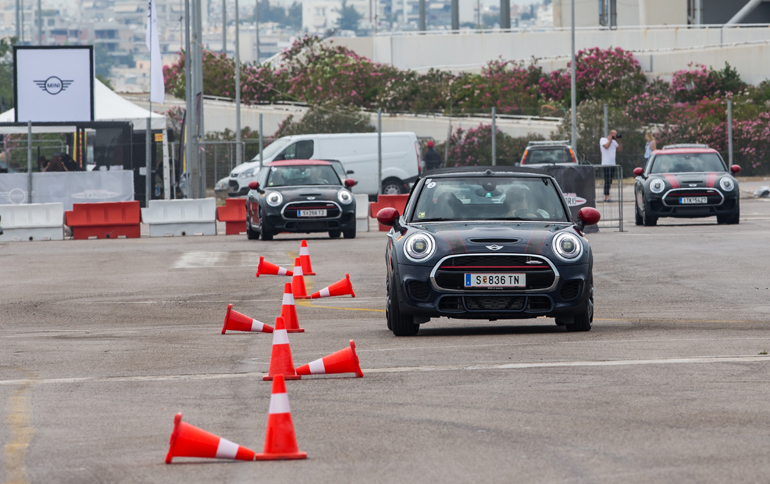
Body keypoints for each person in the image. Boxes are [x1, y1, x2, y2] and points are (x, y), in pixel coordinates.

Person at [599, 130, 622, 203]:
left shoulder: (614, 142)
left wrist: (619, 141)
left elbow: (619, 149)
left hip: (613, 164)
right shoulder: (603, 140)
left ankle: (607, 195)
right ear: (611, 134)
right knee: (607, 180)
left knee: (610, 180)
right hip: (606, 164)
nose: (615, 136)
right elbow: (606, 146)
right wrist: (610, 139)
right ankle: (606, 196)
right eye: (614, 134)